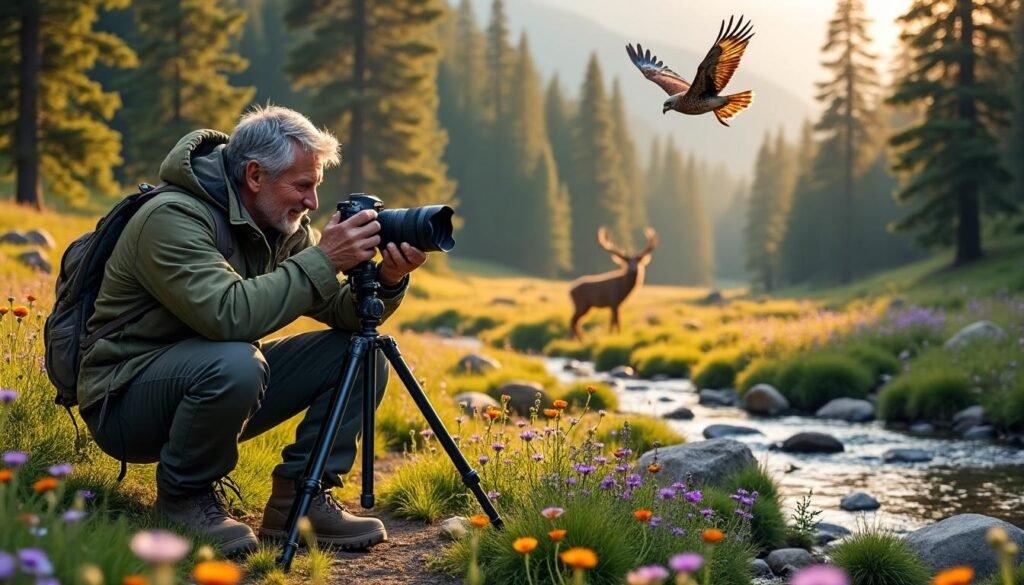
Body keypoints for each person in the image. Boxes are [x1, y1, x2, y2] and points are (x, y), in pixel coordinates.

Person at [77, 105, 427, 555]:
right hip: (126, 399)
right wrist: (325, 259)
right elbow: (228, 316)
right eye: (302, 186)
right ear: (255, 175)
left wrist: (388, 279)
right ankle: (183, 500)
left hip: (211, 381)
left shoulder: (278, 224)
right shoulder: (171, 217)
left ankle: (301, 501)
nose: (312, 203)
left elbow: (342, 313)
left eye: (316, 186)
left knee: (363, 352)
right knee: (237, 361)